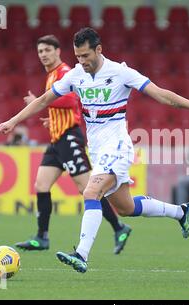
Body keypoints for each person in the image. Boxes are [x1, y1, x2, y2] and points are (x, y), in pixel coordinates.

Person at [0, 27, 189, 273]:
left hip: (119, 147)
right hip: (99, 151)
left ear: (99, 49)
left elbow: (161, 95)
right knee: (126, 208)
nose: (82, 62)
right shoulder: (76, 75)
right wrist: (13, 121)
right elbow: (43, 100)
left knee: (91, 193)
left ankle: (81, 253)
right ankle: (181, 212)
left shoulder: (121, 72)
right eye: (78, 57)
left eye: (86, 56)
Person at [12, 35, 132, 255]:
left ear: (58, 51)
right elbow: (63, 106)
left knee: (87, 189)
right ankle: (42, 237)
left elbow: (71, 100)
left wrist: (40, 101)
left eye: (48, 50)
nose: (44, 55)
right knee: (41, 185)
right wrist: (52, 118)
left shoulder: (67, 71)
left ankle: (119, 227)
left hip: (69, 137)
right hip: (56, 138)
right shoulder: (52, 75)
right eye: (40, 51)